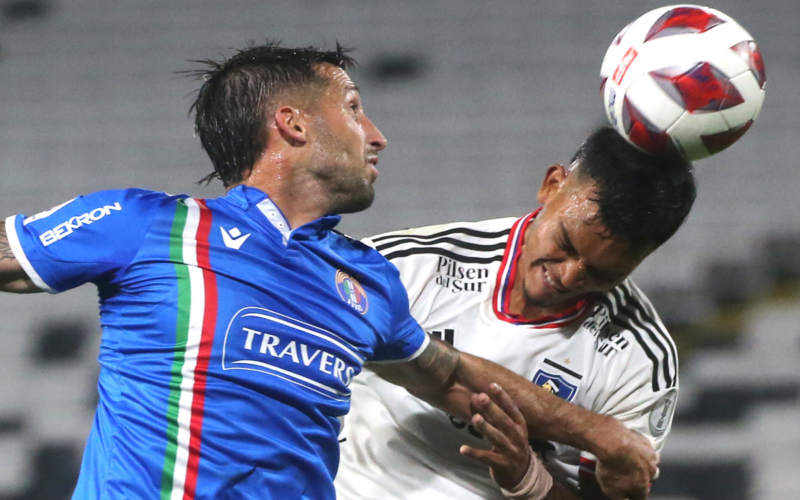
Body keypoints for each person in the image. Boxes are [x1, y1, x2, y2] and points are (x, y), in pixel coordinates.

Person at [0, 44, 656, 500]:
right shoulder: (146, 226)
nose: (377, 135)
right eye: (352, 107)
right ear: (291, 124)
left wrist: (598, 433)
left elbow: (453, 379)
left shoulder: (366, 283)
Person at [335, 127, 696, 500]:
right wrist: (592, 429)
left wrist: (528, 481)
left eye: (603, 272)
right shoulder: (409, 264)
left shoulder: (639, 361)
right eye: (565, 243)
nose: (568, 275)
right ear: (552, 185)